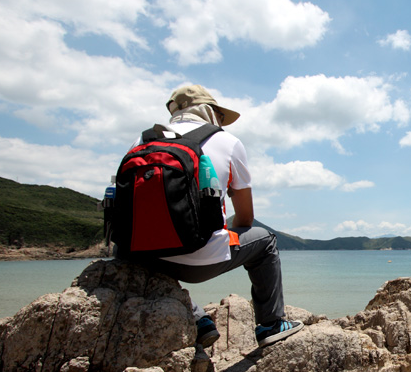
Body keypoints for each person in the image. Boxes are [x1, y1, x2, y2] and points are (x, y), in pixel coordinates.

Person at [118, 84, 304, 348]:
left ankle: (197, 318)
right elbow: (246, 218)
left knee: (155, 244)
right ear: (209, 110)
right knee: (266, 240)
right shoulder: (228, 142)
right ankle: (270, 324)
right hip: (203, 260)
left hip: (143, 257)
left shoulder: (143, 140)